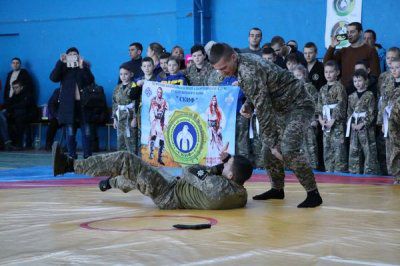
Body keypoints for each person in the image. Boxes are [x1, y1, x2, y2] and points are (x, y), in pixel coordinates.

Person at [209, 43, 322, 208]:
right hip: (281, 108)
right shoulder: (241, 64)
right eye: (218, 69)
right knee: (267, 152)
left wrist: (273, 142)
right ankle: (277, 190)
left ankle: (313, 194)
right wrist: (249, 104)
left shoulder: (248, 70)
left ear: (233, 57)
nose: (222, 72)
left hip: (298, 105)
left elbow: (263, 108)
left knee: (287, 148)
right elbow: (260, 92)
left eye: (224, 68)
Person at [52, 141, 253, 210]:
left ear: (231, 176)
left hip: (169, 193)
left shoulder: (219, 189)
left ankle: (70, 165)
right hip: (174, 188)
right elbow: (206, 177)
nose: (224, 163)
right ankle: (111, 182)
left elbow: (189, 169)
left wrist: (216, 166)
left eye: (228, 165)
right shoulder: (239, 193)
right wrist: (223, 165)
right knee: (142, 174)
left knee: (126, 160)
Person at [49, 47, 95, 159]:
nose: (73, 56)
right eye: (70, 54)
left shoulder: (83, 67)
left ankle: (88, 156)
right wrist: (60, 62)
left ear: (79, 56)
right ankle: (72, 156)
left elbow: (90, 80)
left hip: (83, 105)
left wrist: (82, 67)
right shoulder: (63, 68)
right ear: (67, 56)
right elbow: (53, 78)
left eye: (75, 54)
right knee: (70, 132)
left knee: (87, 131)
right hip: (68, 106)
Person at [323, 22, 380, 87]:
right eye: (347, 32)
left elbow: (375, 75)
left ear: (360, 33)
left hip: (362, 91)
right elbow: (326, 63)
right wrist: (332, 46)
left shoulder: (370, 50)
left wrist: (363, 89)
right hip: (345, 91)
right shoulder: (344, 51)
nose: (349, 34)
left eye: (352, 32)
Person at [317, 60, 348, 172]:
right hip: (325, 123)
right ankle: (329, 171)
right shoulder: (322, 89)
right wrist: (320, 120)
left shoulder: (340, 87)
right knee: (327, 148)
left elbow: (341, 104)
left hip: (337, 124)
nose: (328, 74)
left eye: (331, 72)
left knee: (338, 149)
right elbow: (319, 106)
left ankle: (340, 172)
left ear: (337, 72)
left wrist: (333, 119)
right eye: (326, 72)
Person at [346, 69, 378, 174]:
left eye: (359, 80)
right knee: (354, 150)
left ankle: (369, 172)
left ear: (366, 81)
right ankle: (354, 171)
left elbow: (372, 112)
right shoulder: (351, 96)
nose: (357, 83)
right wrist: (352, 124)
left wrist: (363, 124)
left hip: (366, 128)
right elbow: (349, 112)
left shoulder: (370, 95)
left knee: (369, 150)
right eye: (355, 81)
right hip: (354, 127)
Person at [293, 65, 319, 170]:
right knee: (300, 146)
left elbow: (315, 104)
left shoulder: (310, 88)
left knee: (311, 145)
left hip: (309, 120)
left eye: (299, 75)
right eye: (295, 76)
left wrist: (314, 119)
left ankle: (314, 166)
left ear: (304, 75)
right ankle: (302, 167)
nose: (297, 78)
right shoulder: (293, 89)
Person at [378, 58, 400, 179]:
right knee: (391, 148)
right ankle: (396, 175)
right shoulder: (388, 84)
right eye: (392, 68)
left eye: (397, 67)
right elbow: (383, 104)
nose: (394, 70)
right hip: (390, 123)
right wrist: (382, 122)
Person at [112, 64, 140, 154]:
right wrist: (115, 119)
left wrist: (135, 118)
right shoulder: (117, 87)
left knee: (131, 142)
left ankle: (133, 164)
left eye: (126, 74)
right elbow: (115, 103)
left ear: (131, 74)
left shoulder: (134, 86)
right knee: (121, 142)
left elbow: (137, 102)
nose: (123, 76)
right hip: (120, 118)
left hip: (130, 117)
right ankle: (122, 164)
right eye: (121, 74)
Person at [3, 80, 34, 149]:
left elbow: (24, 105)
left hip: (30, 114)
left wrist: (11, 108)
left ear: (21, 87)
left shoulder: (27, 94)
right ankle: (11, 142)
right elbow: (9, 103)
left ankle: (20, 144)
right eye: (13, 88)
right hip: (19, 115)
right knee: (6, 118)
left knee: (19, 118)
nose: (15, 89)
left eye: (16, 87)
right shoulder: (15, 95)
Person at [149, 87, 169, 165]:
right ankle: (151, 153)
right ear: (156, 92)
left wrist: (166, 123)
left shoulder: (164, 102)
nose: (159, 94)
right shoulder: (153, 100)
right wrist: (153, 120)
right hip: (155, 121)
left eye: (160, 92)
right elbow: (151, 111)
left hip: (161, 122)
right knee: (153, 136)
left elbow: (167, 112)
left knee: (162, 139)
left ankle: (159, 158)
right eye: (158, 92)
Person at [205, 95, 226, 166]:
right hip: (210, 129)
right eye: (213, 100)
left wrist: (220, 128)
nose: (214, 101)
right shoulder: (208, 109)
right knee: (210, 145)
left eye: (215, 100)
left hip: (217, 128)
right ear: (211, 101)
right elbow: (205, 119)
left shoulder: (219, 109)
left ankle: (218, 163)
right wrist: (209, 127)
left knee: (218, 145)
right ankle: (210, 164)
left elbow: (223, 119)